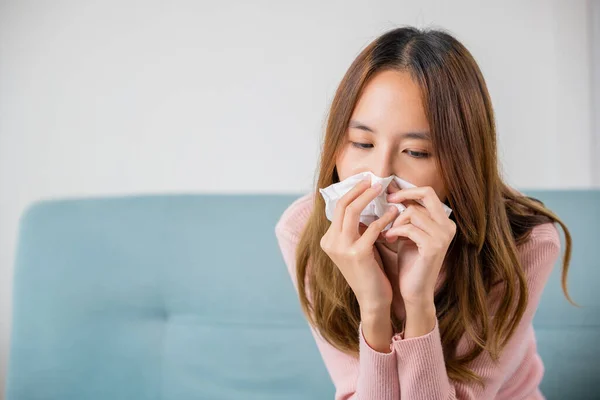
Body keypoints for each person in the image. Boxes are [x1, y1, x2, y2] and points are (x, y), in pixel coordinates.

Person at [274, 26, 575, 400]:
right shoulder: (303, 230)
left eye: (417, 152)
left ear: (462, 163)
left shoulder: (524, 242)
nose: (381, 174)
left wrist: (418, 302)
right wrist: (374, 306)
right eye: (362, 143)